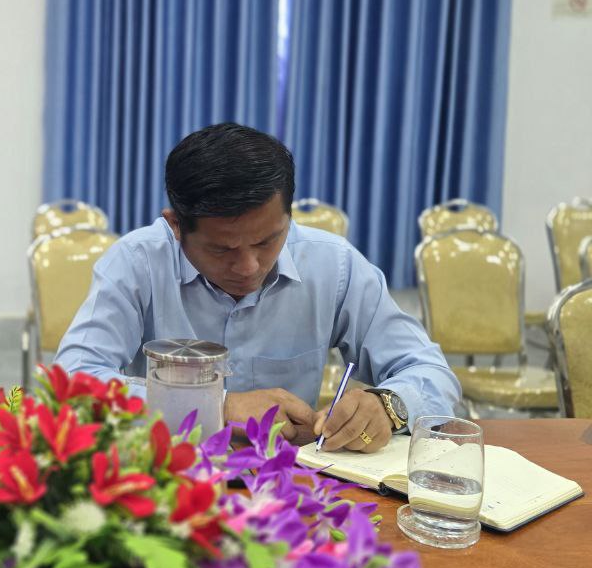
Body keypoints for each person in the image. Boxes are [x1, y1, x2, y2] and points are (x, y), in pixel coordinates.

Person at [54, 123, 460, 453]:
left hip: (294, 484)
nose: (249, 267)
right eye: (222, 249)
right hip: (170, 480)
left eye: (267, 241)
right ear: (175, 225)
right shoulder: (138, 262)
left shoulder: (333, 265)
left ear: (288, 216)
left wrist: (388, 406)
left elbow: (430, 371)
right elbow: (70, 383)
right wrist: (216, 406)